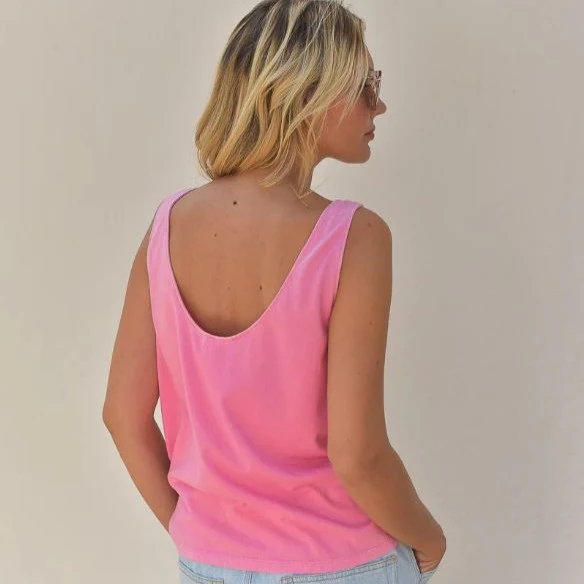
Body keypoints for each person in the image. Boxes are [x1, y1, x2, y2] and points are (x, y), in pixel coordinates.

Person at [102, 1, 447, 583]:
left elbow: (121, 414)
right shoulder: (354, 238)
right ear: (308, 92)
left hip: (210, 564)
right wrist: (430, 541)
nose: (379, 104)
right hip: (342, 563)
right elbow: (357, 454)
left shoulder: (167, 228)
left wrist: (198, 535)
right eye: (365, 84)